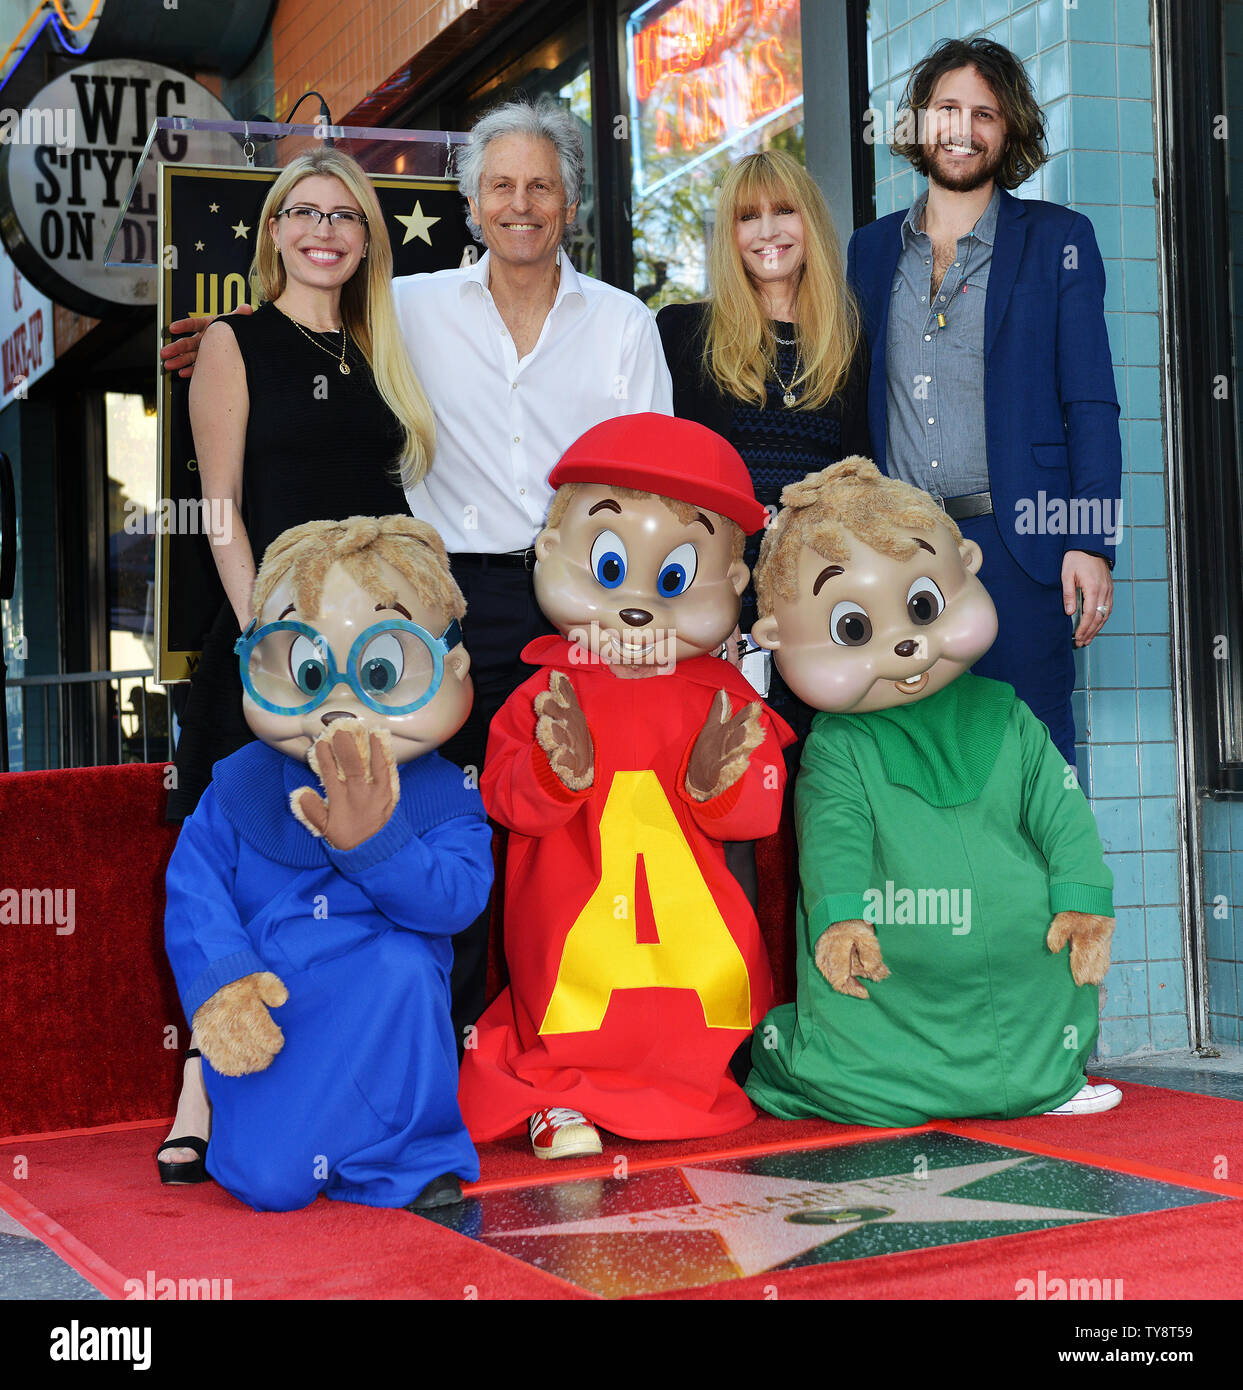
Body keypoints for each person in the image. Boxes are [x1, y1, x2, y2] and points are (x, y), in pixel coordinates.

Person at [156, 147, 436, 1183]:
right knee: (249, 868)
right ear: (273, 230)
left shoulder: (378, 351)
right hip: (277, 656)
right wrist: (270, 646)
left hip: (374, 663)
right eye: (306, 212)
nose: (326, 230)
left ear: (366, 240)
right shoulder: (231, 343)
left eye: (347, 216)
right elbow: (219, 514)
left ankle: (338, 1092)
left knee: (346, 870)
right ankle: (199, 1087)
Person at [846, 36, 1122, 768]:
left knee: (1032, 767)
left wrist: (1088, 543)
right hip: (898, 556)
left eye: (984, 114)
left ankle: (1056, 890)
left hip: (1020, 547)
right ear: (919, 122)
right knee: (918, 766)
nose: (961, 128)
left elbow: (1090, 402)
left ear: (1009, 131)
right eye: (946, 109)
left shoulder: (1059, 239)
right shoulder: (868, 253)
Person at [656, 148, 869, 903]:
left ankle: (822, 995)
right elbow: (672, 491)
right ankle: (736, 1006)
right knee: (726, 808)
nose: (767, 231)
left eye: (782, 212)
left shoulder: (848, 339)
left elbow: (862, 480)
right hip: (723, 611)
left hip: (818, 608)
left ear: (808, 223)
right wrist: (698, 610)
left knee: (822, 806)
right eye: (747, 216)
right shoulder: (681, 335)